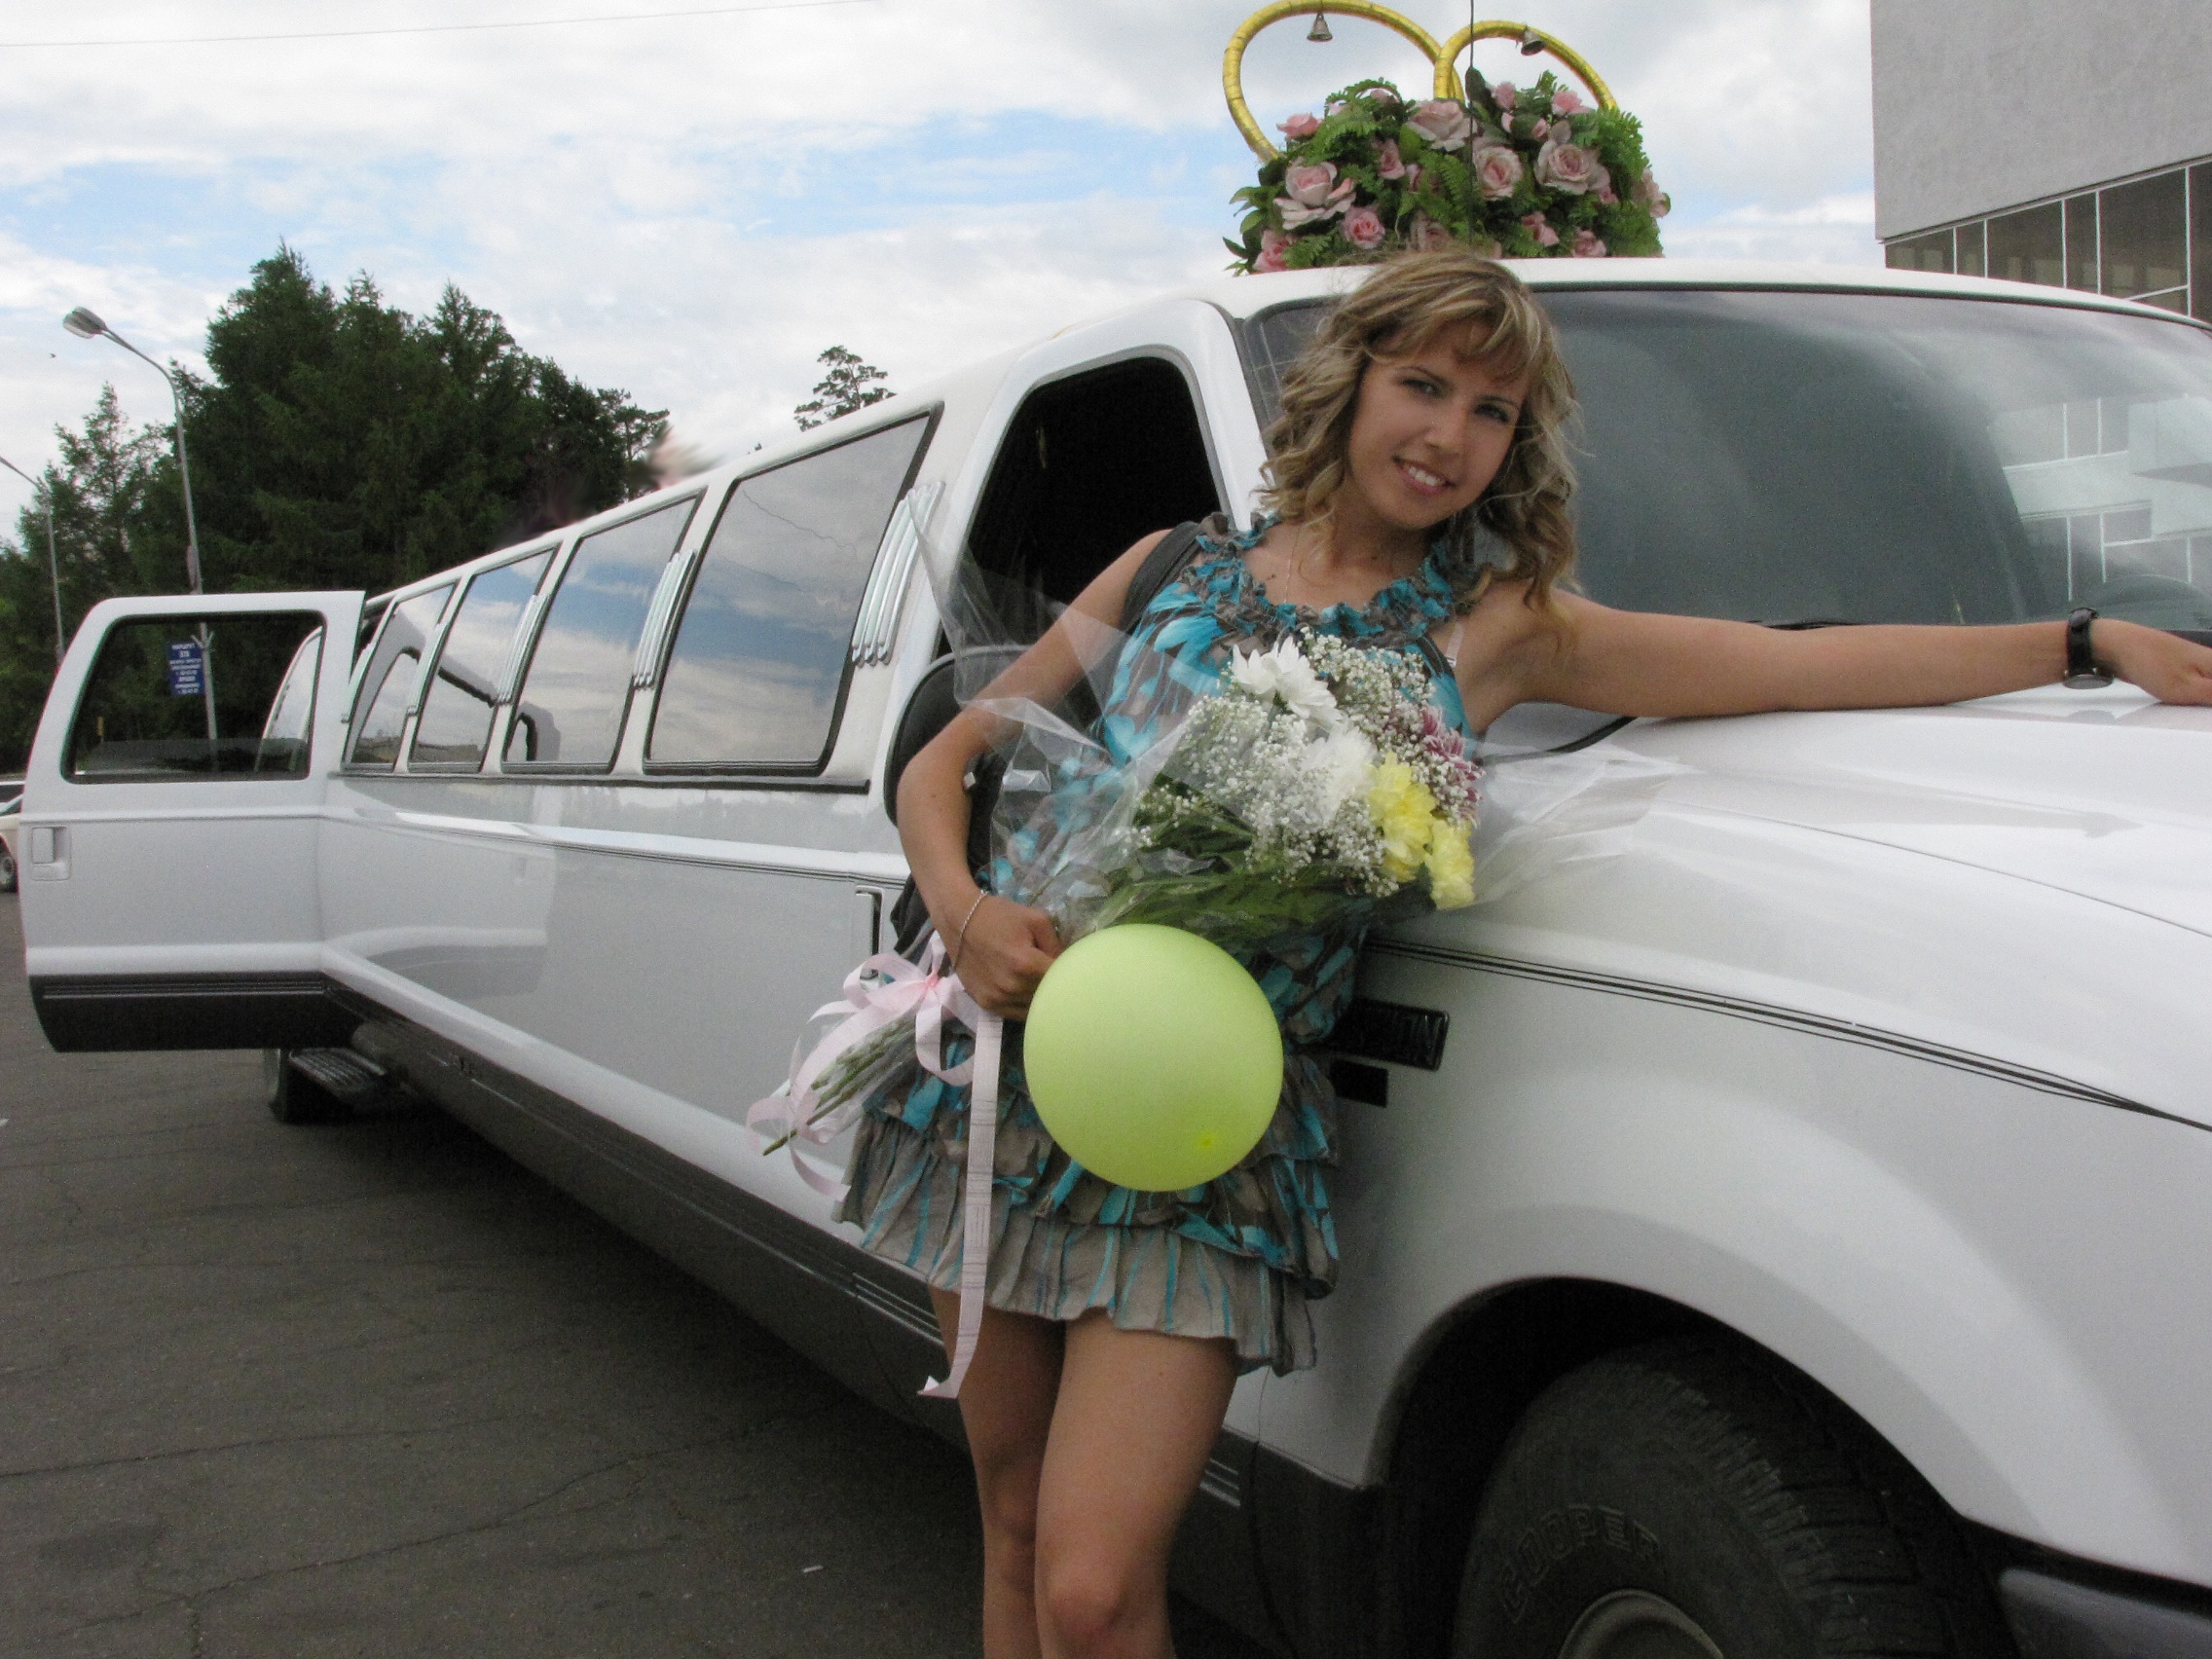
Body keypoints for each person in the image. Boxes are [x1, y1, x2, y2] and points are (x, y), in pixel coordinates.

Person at [845, 248, 2212, 1659]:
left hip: (1197, 1133)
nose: (1448, 434)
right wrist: (967, 912)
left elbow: (1796, 661)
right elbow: (947, 759)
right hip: (1004, 1077)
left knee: (1091, 1587)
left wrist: (2081, 641)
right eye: (1422, 385)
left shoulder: (1497, 628)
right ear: (1352, 382)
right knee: (1012, 1519)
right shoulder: (1169, 568)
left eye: (1491, 410)